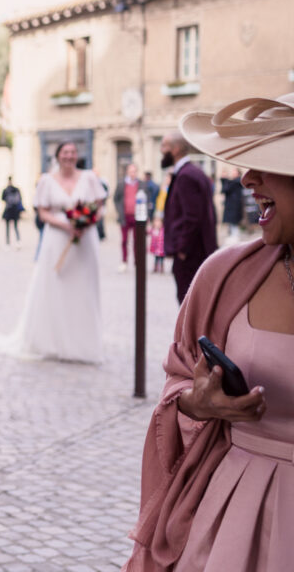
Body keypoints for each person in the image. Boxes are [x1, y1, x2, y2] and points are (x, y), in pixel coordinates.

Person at [124, 92, 294, 571]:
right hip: (233, 519)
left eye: (267, 162)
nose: (246, 178)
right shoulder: (223, 277)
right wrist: (198, 403)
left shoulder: (190, 179)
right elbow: (178, 382)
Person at [0, 141, 107, 363]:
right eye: (65, 152)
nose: (69, 156)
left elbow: (99, 206)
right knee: (55, 286)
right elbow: (42, 212)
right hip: (57, 239)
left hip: (84, 241)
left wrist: (86, 222)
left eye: (73, 152)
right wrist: (67, 225)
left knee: (83, 288)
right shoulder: (47, 180)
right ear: (58, 156)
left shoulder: (89, 178)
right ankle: (53, 341)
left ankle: (84, 342)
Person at [161, 130, 219, 303]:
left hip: (191, 255)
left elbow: (192, 217)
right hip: (195, 253)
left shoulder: (186, 175)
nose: (161, 150)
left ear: (176, 149)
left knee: (189, 304)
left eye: (164, 146)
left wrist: (182, 250)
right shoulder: (192, 172)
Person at [114, 162, 141, 272]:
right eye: (130, 171)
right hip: (125, 216)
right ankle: (124, 261)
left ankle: (137, 262)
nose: (132, 174)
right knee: (124, 240)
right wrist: (119, 211)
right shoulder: (121, 184)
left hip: (137, 217)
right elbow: (116, 199)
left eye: (134, 171)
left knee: (137, 241)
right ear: (127, 172)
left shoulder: (141, 184)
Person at [220, 166, 244, 242]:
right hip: (232, 204)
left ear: (238, 173)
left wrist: (224, 179)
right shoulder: (235, 182)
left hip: (234, 204)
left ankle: (235, 236)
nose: (233, 173)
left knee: (233, 221)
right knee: (232, 221)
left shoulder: (236, 182)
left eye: (234, 171)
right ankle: (233, 235)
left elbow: (225, 189)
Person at [1, 176, 23, 249]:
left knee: (8, 228)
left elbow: (2, 199)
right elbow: (20, 199)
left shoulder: (6, 190)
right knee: (15, 227)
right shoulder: (16, 189)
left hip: (8, 210)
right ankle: (18, 241)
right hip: (15, 211)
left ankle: (8, 243)